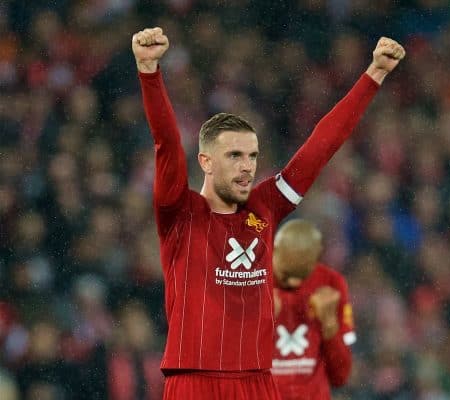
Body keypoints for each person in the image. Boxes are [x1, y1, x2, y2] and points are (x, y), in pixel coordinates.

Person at [131, 26, 404, 399]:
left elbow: (320, 148)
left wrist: (373, 75)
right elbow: (166, 143)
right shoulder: (181, 213)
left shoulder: (265, 206)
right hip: (193, 380)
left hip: (258, 382)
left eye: (252, 156)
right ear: (206, 161)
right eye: (234, 156)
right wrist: (149, 73)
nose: (247, 166)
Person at [272, 219, 355, 400]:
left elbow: (341, 376)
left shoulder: (332, 283)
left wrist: (330, 326)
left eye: (302, 275)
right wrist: (257, 322)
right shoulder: (250, 280)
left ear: (317, 256)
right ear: (274, 251)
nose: (294, 282)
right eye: (286, 274)